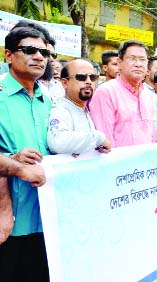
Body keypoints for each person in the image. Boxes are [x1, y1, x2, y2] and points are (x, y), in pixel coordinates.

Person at [0, 26, 52, 281]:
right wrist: (15, 163)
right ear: (9, 55)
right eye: (30, 50)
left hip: (47, 217)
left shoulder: (49, 100)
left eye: (44, 52)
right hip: (8, 222)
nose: (39, 57)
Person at [90, 40, 155, 147]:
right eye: (132, 59)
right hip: (119, 162)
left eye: (143, 60)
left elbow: (150, 135)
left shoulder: (148, 95)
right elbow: (105, 142)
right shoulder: (106, 92)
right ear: (120, 63)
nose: (138, 64)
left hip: (147, 161)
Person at [47, 59, 112, 155]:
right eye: (81, 77)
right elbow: (57, 142)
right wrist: (98, 138)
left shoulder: (84, 109)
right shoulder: (60, 109)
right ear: (65, 83)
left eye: (93, 77)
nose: (89, 81)